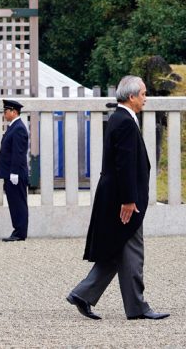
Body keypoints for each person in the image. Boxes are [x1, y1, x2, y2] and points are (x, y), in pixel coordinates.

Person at [66, 76, 169, 321]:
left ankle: (83, 294)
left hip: (117, 195)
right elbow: (124, 164)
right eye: (143, 93)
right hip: (121, 199)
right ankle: (138, 308)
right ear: (132, 96)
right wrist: (128, 200)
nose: (146, 98)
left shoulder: (120, 118)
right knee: (133, 249)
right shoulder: (124, 121)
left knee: (117, 249)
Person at [0, 99, 29, 242]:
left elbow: (18, 152)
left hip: (15, 173)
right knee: (14, 203)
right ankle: (18, 230)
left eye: (6, 111)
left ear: (14, 112)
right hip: (10, 173)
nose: (4, 113)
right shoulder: (13, 127)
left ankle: (20, 233)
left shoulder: (19, 128)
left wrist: (14, 172)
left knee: (18, 203)